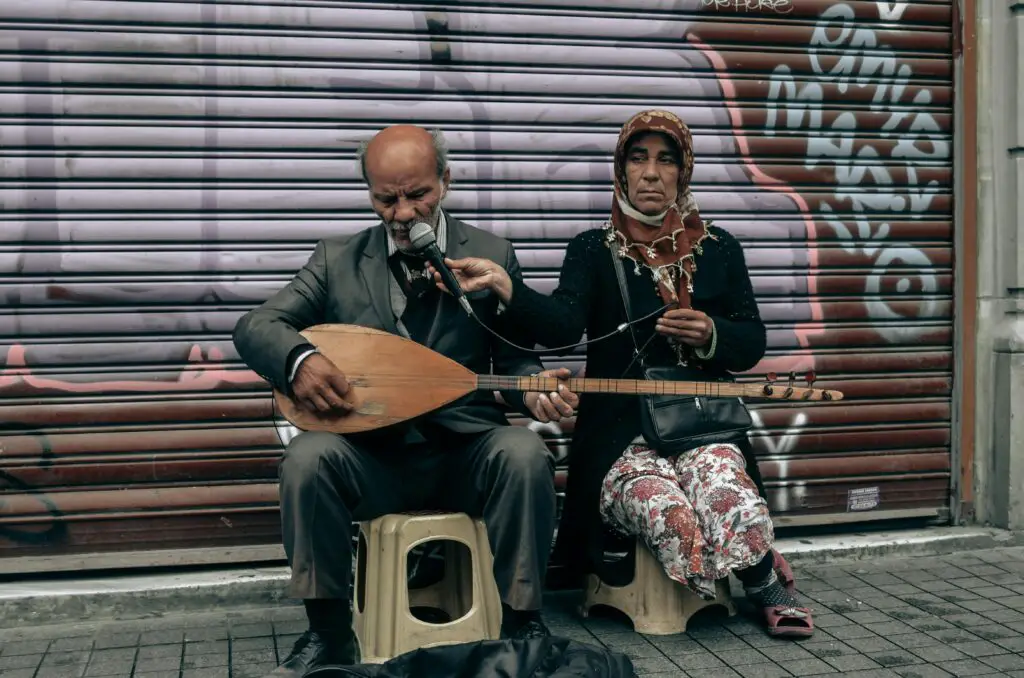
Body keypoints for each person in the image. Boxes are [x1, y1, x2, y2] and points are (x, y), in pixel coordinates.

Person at [426, 110, 813, 638]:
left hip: (700, 427)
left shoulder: (720, 250)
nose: (651, 173)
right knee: (674, 517)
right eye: (638, 159)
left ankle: (766, 583)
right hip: (621, 437)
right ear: (621, 172)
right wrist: (505, 285)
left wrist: (711, 333)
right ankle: (637, 545)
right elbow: (562, 326)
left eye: (666, 160)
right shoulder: (592, 250)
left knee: (729, 497)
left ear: (684, 172)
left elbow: (751, 343)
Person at [233, 124, 579, 677]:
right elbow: (257, 325)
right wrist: (299, 361)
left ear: (445, 181)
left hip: (467, 452)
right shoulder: (336, 260)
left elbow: (513, 356)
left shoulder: (491, 254)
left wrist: (533, 385)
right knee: (306, 459)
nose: (401, 213)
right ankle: (327, 634)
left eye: (417, 195)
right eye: (385, 198)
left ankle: (523, 623)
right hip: (374, 458)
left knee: (523, 453)